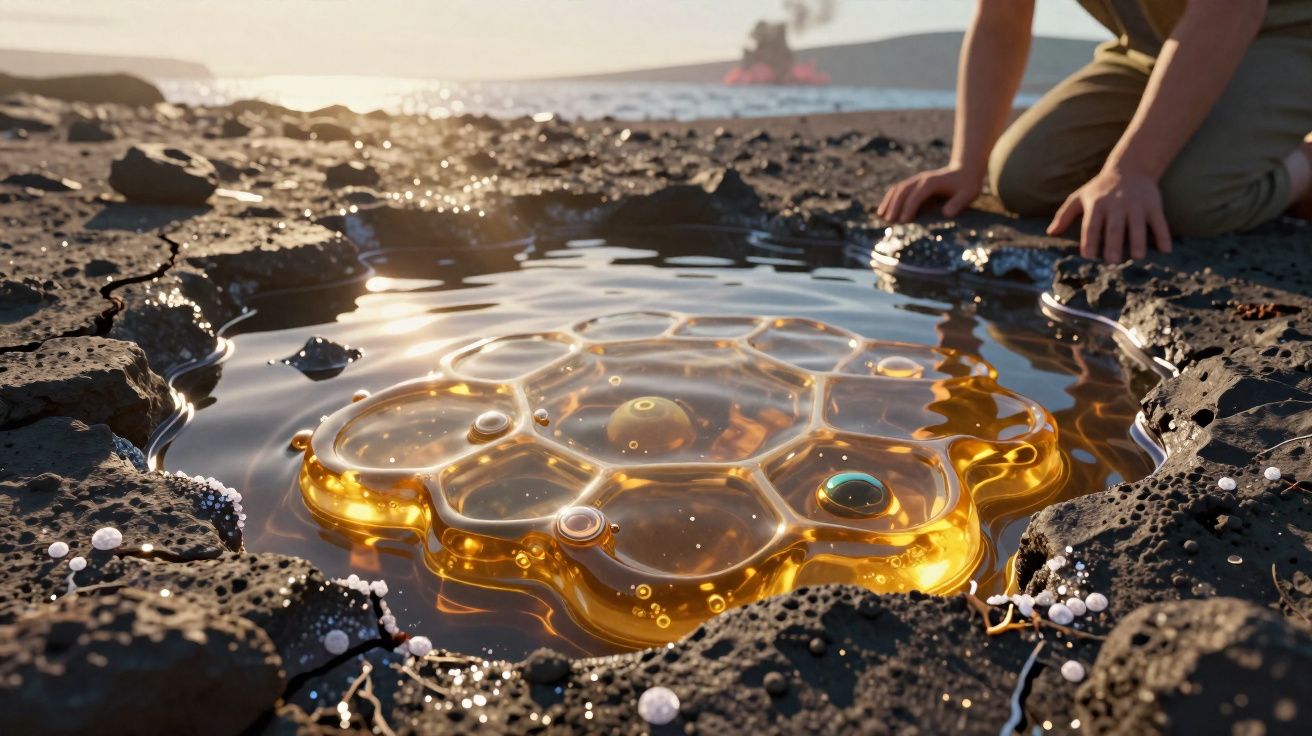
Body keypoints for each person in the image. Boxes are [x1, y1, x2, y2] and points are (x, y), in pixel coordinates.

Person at [877, 0, 1312, 263]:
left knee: (1188, 202)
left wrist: (1132, 170)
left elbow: (1229, 10)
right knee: (1022, 179)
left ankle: (1305, 158)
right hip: (1153, 49)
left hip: (1287, 35)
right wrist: (966, 164)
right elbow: (1001, 19)